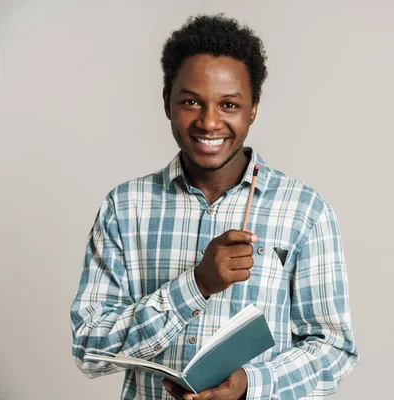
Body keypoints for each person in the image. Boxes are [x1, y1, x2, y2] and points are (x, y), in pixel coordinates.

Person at [70, 14, 358, 400]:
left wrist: (248, 386)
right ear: (167, 104)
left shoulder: (305, 211)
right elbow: (90, 349)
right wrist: (197, 285)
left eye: (229, 104)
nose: (209, 122)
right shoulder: (125, 207)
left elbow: (334, 350)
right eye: (191, 101)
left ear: (253, 108)